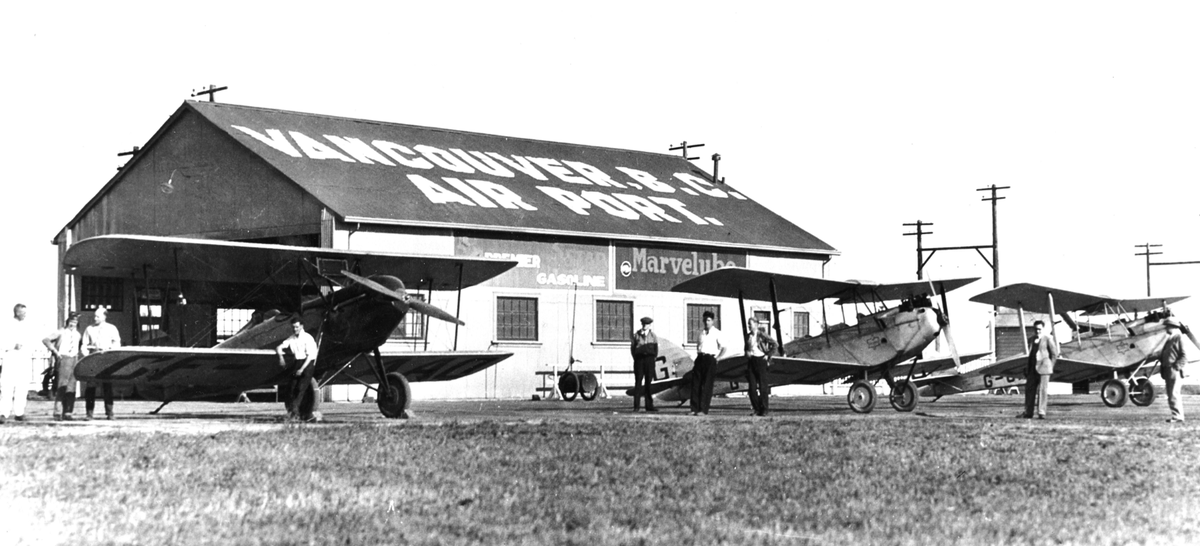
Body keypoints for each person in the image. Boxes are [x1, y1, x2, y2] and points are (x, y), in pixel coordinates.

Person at [81, 307, 121, 420]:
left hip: (106, 359)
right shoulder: (89, 329)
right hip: (93, 359)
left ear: (104, 316)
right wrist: (86, 355)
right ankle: (89, 414)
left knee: (107, 386)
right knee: (90, 387)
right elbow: (84, 344)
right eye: (94, 316)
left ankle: (110, 413)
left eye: (98, 316)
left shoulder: (111, 328)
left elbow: (117, 342)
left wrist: (111, 352)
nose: (95, 318)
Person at [276, 317, 318, 421]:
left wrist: (302, 369)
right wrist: (281, 357)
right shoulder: (292, 338)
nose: (295, 329)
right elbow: (279, 347)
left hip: (306, 364)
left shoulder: (308, 338)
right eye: (293, 327)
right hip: (297, 363)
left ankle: (296, 414)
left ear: (302, 326)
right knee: (291, 388)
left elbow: (310, 356)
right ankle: (294, 412)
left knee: (300, 389)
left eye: (297, 327)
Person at [0, 304, 37, 423]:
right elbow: (2, 341)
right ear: (17, 312)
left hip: (23, 358)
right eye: (23, 312)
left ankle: (19, 412)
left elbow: (31, 341)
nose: (25, 314)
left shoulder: (27, 326)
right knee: (7, 385)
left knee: (22, 385)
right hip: (10, 356)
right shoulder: (7, 325)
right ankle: (3, 413)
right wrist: (12, 346)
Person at [43, 313, 82, 421]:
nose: (72, 324)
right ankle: (57, 412)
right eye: (71, 322)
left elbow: (79, 347)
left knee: (71, 386)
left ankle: (68, 412)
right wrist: (55, 352)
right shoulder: (60, 332)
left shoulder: (78, 334)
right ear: (67, 321)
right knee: (62, 385)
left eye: (75, 322)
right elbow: (46, 340)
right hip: (64, 359)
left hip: (74, 359)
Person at [1019, 320, 1059, 419]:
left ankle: (1042, 412)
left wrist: (1050, 366)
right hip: (1032, 369)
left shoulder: (1048, 339)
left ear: (1043, 329)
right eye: (1036, 329)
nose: (1037, 331)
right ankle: (1028, 412)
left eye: (1039, 329)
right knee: (1029, 390)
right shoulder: (1031, 339)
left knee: (1042, 391)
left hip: (1044, 369)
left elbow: (1054, 354)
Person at [691, 310, 725, 416]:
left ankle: (703, 410)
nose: (706, 322)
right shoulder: (701, 333)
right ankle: (694, 409)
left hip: (710, 359)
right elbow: (698, 346)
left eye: (709, 320)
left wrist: (717, 358)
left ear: (712, 321)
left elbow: (724, 348)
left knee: (706, 385)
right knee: (696, 384)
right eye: (705, 320)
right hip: (700, 358)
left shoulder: (717, 333)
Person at [745, 317, 779, 417]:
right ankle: (756, 409)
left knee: (763, 387)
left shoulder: (761, 335)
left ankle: (764, 410)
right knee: (752, 387)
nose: (749, 326)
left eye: (750, 324)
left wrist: (767, 355)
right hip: (752, 361)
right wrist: (747, 352)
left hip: (761, 361)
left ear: (756, 324)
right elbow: (746, 348)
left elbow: (775, 344)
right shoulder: (748, 336)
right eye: (748, 324)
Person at [1160, 319, 1188, 423]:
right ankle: (1176, 415)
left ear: (1173, 327)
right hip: (1168, 370)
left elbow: (1184, 355)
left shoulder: (1178, 337)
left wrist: (1176, 367)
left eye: (1167, 326)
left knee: (1174, 393)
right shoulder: (1170, 339)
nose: (1166, 328)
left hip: (1174, 370)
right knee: (1171, 394)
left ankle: (1178, 417)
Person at [630, 316, 659, 413]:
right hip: (639, 360)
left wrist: (652, 359)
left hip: (649, 360)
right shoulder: (637, 335)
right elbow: (633, 349)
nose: (644, 326)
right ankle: (636, 406)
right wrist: (637, 359)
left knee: (648, 383)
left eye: (646, 324)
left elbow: (656, 350)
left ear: (650, 325)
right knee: (638, 383)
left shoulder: (653, 336)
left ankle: (649, 406)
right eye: (643, 324)